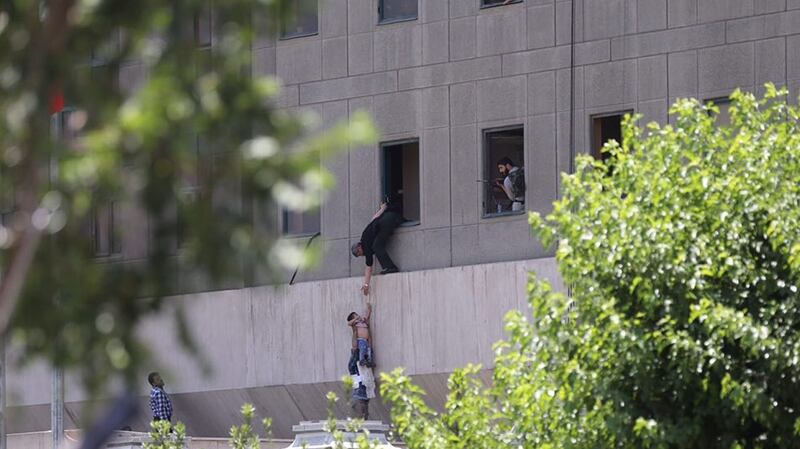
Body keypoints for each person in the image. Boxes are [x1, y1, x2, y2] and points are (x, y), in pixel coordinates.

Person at [351, 201, 402, 295]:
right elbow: (373, 219)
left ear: (359, 247)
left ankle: (390, 267)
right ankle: (388, 267)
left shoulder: (366, 246)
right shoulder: (365, 236)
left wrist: (366, 284)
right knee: (376, 245)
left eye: (359, 253)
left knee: (376, 246)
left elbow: (368, 268)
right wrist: (383, 208)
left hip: (388, 220)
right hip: (390, 217)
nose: (361, 255)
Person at [347, 301, 374, 367]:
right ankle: (362, 360)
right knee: (363, 349)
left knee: (369, 350)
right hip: (361, 340)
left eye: (356, 314)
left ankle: (369, 361)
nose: (357, 315)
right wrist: (356, 319)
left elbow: (367, 317)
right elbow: (349, 323)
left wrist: (369, 309)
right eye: (355, 315)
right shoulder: (355, 324)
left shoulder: (362, 321)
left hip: (366, 340)